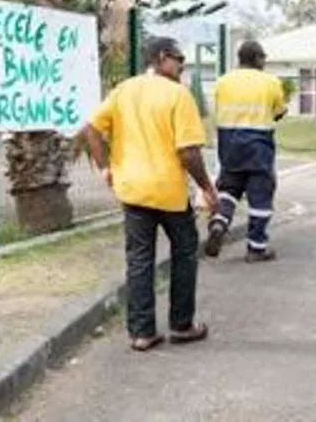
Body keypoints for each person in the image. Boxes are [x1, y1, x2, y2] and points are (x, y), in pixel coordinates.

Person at [80, 36, 219, 351]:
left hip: (132, 191)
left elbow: (90, 129)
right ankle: (182, 325)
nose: (182, 65)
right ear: (161, 57)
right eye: (178, 58)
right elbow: (188, 153)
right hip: (168, 192)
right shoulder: (178, 95)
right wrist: (207, 187)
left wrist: (105, 167)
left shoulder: (124, 90)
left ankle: (142, 332)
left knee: (139, 259)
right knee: (185, 252)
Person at [205, 40, 288, 261]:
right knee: (260, 195)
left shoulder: (222, 81)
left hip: (229, 143)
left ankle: (219, 222)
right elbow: (279, 111)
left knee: (229, 189)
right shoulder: (270, 82)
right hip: (258, 145)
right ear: (258, 59)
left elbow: (218, 109)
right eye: (264, 58)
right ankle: (256, 247)